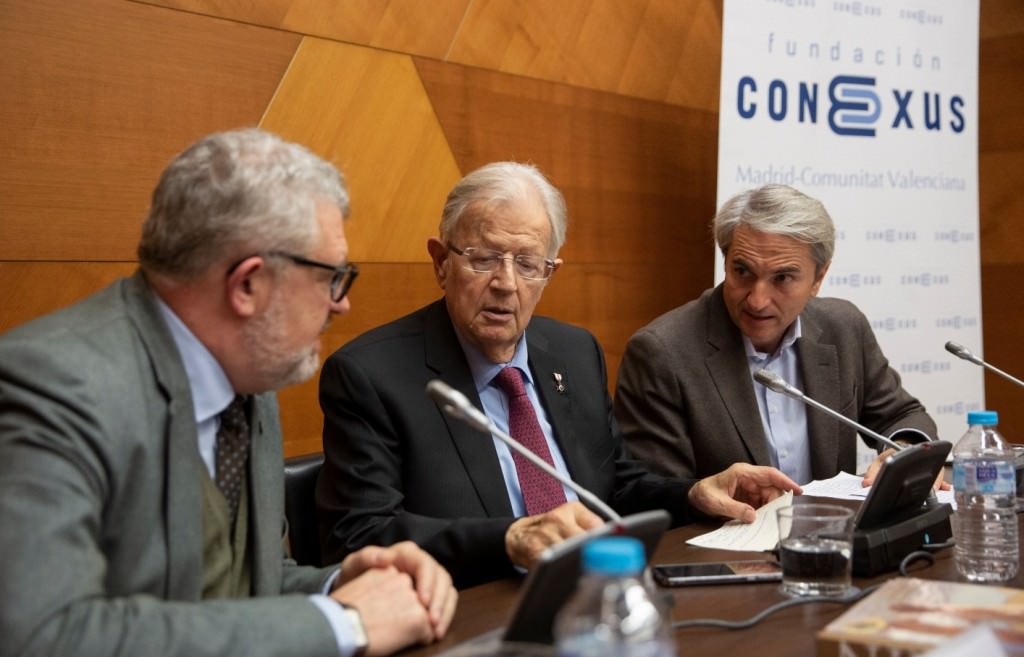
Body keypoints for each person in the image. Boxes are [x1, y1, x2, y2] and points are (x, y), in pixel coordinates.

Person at [0, 128, 457, 657]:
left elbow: (247, 589)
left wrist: (341, 586)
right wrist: (343, 622)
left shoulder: (249, 376)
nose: (340, 304)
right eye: (332, 277)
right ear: (248, 286)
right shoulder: (53, 385)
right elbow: (44, 635)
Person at [316, 162, 800, 589]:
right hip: (476, 613)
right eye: (484, 259)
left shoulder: (573, 352)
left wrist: (695, 493)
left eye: (527, 264)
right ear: (442, 262)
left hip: (596, 596)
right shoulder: (370, 376)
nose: (505, 284)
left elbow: (616, 488)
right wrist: (509, 540)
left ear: (550, 272)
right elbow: (358, 538)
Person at [615, 183, 941, 488]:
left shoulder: (843, 327)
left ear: (819, 277)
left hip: (831, 539)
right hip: (725, 544)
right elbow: (657, 491)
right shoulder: (663, 353)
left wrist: (903, 451)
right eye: (742, 272)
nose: (757, 300)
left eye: (782, 278)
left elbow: (903, 415)